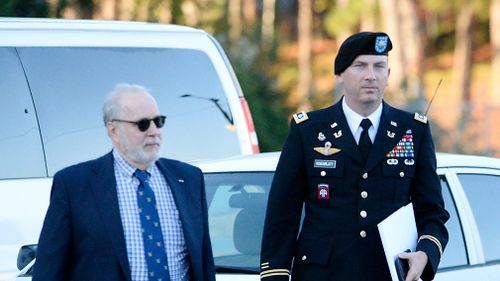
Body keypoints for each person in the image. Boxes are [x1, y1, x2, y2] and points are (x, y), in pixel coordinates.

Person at [260, 32, 449, 281]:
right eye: (360, 66)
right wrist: (275, 276)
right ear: (339, 75)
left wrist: (425, 254)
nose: (370, 75)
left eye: (379, 66)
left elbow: (432, 212)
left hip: (387, 274)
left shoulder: (413, 131)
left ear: (388, 75)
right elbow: (282, 214)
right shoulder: (308, 131)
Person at [32, 84, 215, 281]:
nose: (154, 131)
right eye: (143, 124)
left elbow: (203, 264)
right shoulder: (74, 185)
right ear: (114, 131)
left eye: (158, 121)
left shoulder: (189, 179)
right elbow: (48, 271)